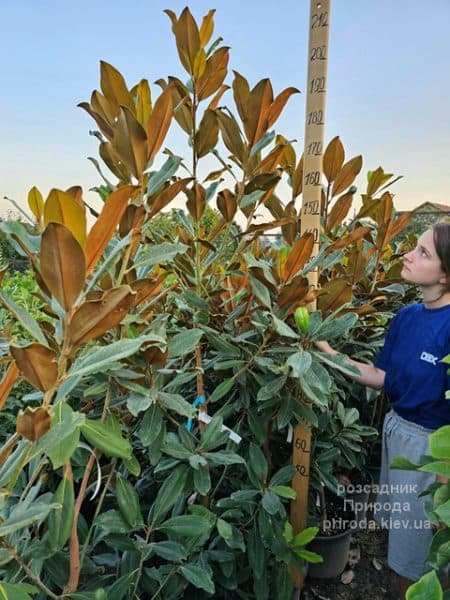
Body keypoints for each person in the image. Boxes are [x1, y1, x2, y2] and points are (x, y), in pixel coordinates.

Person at [316, 222, 450, 599]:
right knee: (406, 541)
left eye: (423, 252)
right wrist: (329, 355)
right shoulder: (407, 316)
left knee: (423, 554)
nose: (408, 254)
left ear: (446, 274)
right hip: (399, 435)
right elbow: (380, 375)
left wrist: (444, 489)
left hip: (434, 454)